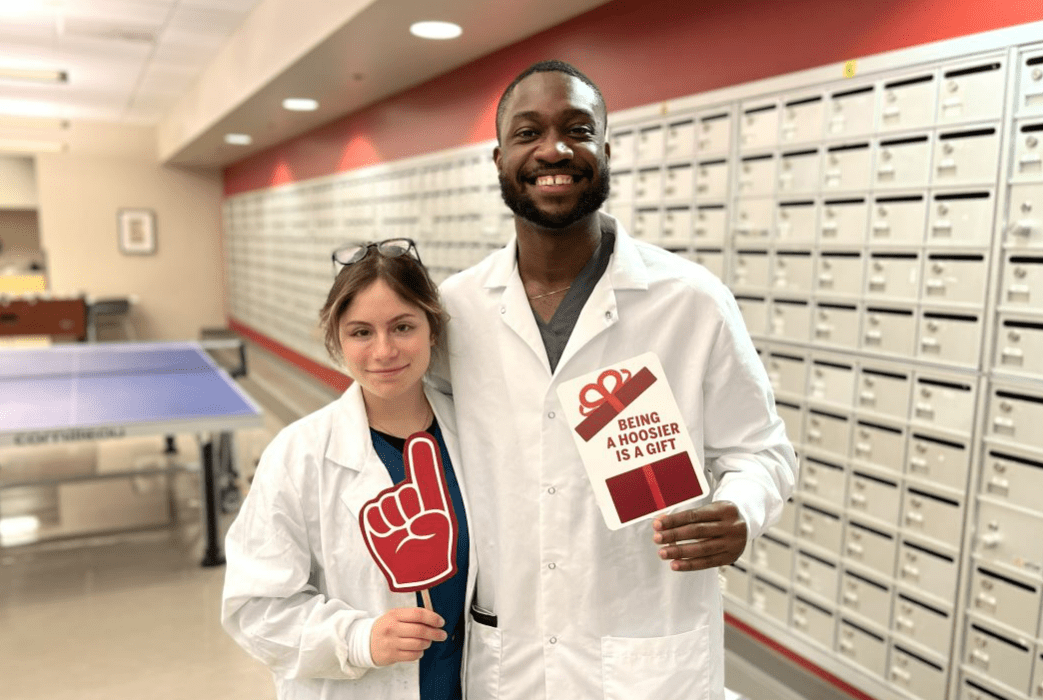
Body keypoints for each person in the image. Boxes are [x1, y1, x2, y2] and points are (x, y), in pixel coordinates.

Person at [437, 60, 797, 699]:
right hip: (511, 651)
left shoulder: (691, 302)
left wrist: (742, 507)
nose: (554, 149)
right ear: (499, 158)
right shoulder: (456, 311)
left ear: (605, 149)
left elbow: (761, 448)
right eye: (528, 133)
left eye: (578, 129)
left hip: (648, 647)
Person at [222, 238, 474, 700]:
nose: (384, 351)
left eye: (402, 327)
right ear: (336, 339)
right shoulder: (298, 454)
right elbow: (254, 608)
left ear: (432, 330)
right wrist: (359, 640)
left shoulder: (475, 433)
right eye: (361, 332)